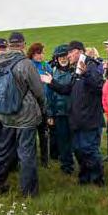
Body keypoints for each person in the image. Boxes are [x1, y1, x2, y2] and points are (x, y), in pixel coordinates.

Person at [0, 32, 47, 197]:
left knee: (3, 150)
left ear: (9, 45)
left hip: (6, 114)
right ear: (23, 44)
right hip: (26, 116)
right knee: (26, 153)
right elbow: (38, 91)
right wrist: (43, 107)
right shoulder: (26, 64)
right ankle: (28, 192)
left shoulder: (0, 62)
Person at [42, 40, 105, 186]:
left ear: (79, 51)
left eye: (70, 52)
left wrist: (86, 74)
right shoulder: (77, 69)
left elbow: (99, 86)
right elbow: (67, 89)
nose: (68, 55)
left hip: (89, 118)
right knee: (78, 149)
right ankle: (84, 177)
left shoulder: (92, 66)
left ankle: (97, 180)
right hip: (77, 118)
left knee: (90, 149)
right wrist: (51, 82)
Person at [47, 45, 75, 175]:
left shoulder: (75, 71)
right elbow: (49, 96)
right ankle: (66, 166)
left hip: (75, 112)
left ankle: (82, 162)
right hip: (59, 112)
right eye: (60, 57)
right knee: (63, 141)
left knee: (76, 140)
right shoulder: (53, 72)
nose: (63, 59)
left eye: (65, 56)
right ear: (56, 59)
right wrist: (50, 114)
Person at [28, 42, 53, 167]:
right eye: (38, 53)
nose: (41, 55)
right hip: (32, 104)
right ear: (32, 54)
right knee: (31, 135)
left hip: (44, 103)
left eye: (42, 53)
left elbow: (51, 80)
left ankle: (45, 160)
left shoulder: (45, 65)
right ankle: (31, 160)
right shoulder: (29, 65)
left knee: (44, 134)